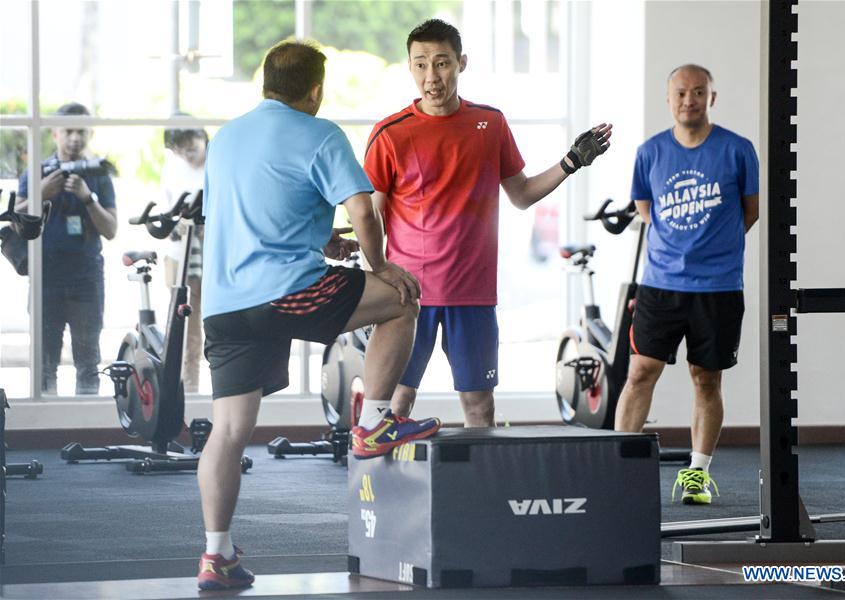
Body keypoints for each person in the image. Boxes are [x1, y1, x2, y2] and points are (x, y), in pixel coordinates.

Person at [196, 40, 441, 591]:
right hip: (284, 292)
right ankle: (375, 420)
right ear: (315, 90)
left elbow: (245, 216)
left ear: (266, 84)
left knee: (229, 432)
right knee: (403, 299)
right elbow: (363, 206)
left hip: (226, 306)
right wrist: (382, 264)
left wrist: (317, 239)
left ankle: (217, 554)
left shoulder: (226, 138)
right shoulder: (320, 131)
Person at [364, 19, 612, 428]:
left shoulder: (490, 123)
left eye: (441, 63)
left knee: (479, 406)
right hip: (409, 294)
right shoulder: (390, 134)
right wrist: (377, 274)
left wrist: (571, 162)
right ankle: (379, 488)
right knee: (395, 402)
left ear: (461, 63)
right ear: (409, 67)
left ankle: (477, 493)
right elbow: (370, 213)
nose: (431, 76)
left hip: (473, 292)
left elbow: (522, 194)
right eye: (420, 64)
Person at [614, 64, 759, 505]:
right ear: (668, 98)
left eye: (698, 92)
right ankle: (618, 467)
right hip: (661, 283)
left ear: (711, 98)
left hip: (717, 287)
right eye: (681, 92)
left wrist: (713, 249)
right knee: (640, 372)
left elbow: (749, 211)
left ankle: (696, 475)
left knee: (706, 379)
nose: (689, 100)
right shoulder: (650, 152)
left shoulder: (738, 150)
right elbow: (645, 206)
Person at [17, 102, 117, 395]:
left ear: (90, 133)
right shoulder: (37, 172)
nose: (75, 138)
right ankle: (47, 426)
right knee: (44, 362)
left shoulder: (98, 172)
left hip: (86, 278)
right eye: (69, 131)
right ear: (55, 134)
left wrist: (88, 198)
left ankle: (84, 425)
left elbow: (111, 229)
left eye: (82, 131)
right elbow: (13, 223)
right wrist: (40, 193)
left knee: (88, 361)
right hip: (45, 275)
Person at [161, 121, 208, 393]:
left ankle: (196, 386)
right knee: (182, 322)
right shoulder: (172, 166)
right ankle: (185, 386)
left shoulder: (215, 165)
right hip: (179, 254)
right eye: (181, 152)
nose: (186, 157)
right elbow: (166, 206)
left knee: (205, 322)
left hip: (208, 254)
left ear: (202, 137)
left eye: (191, 149)